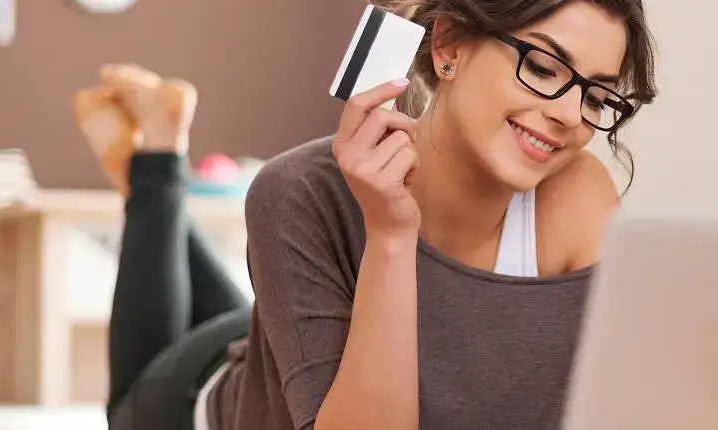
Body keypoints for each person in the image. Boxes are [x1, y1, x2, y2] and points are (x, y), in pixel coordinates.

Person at [78, 0, 657, 428]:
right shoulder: (298, 190)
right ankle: (157, 155)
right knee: (128, 400)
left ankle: (157, 164)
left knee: (260, 324)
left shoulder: (578, 196)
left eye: (598, 96)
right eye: (544, 68)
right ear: (449, 44)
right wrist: (390, 233)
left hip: (295, 336)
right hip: (198, 402)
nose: (568, 115)